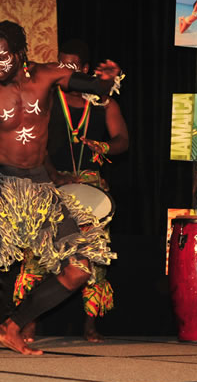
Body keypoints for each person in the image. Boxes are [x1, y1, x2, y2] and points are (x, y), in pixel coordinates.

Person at [0, 21, 122, 356]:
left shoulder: (48, 76)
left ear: (21, 53)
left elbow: (97, 88)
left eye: (2, 56)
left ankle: (12, 326)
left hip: (40, 188)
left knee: (80, 268)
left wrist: (107, 80)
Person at [15, 38, 129, 342]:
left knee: (93, 252)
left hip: (89, 182)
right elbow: (34, 141)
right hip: (50, 180)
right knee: (36, 255)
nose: (65, 71)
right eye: (61, 64)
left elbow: (122, 140)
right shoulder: (48, 99)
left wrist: (104, 146)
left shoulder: (105, 104)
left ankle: (90, 323)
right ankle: (28, 321)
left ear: (86, 70)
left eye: (72, 66)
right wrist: (55, 175)